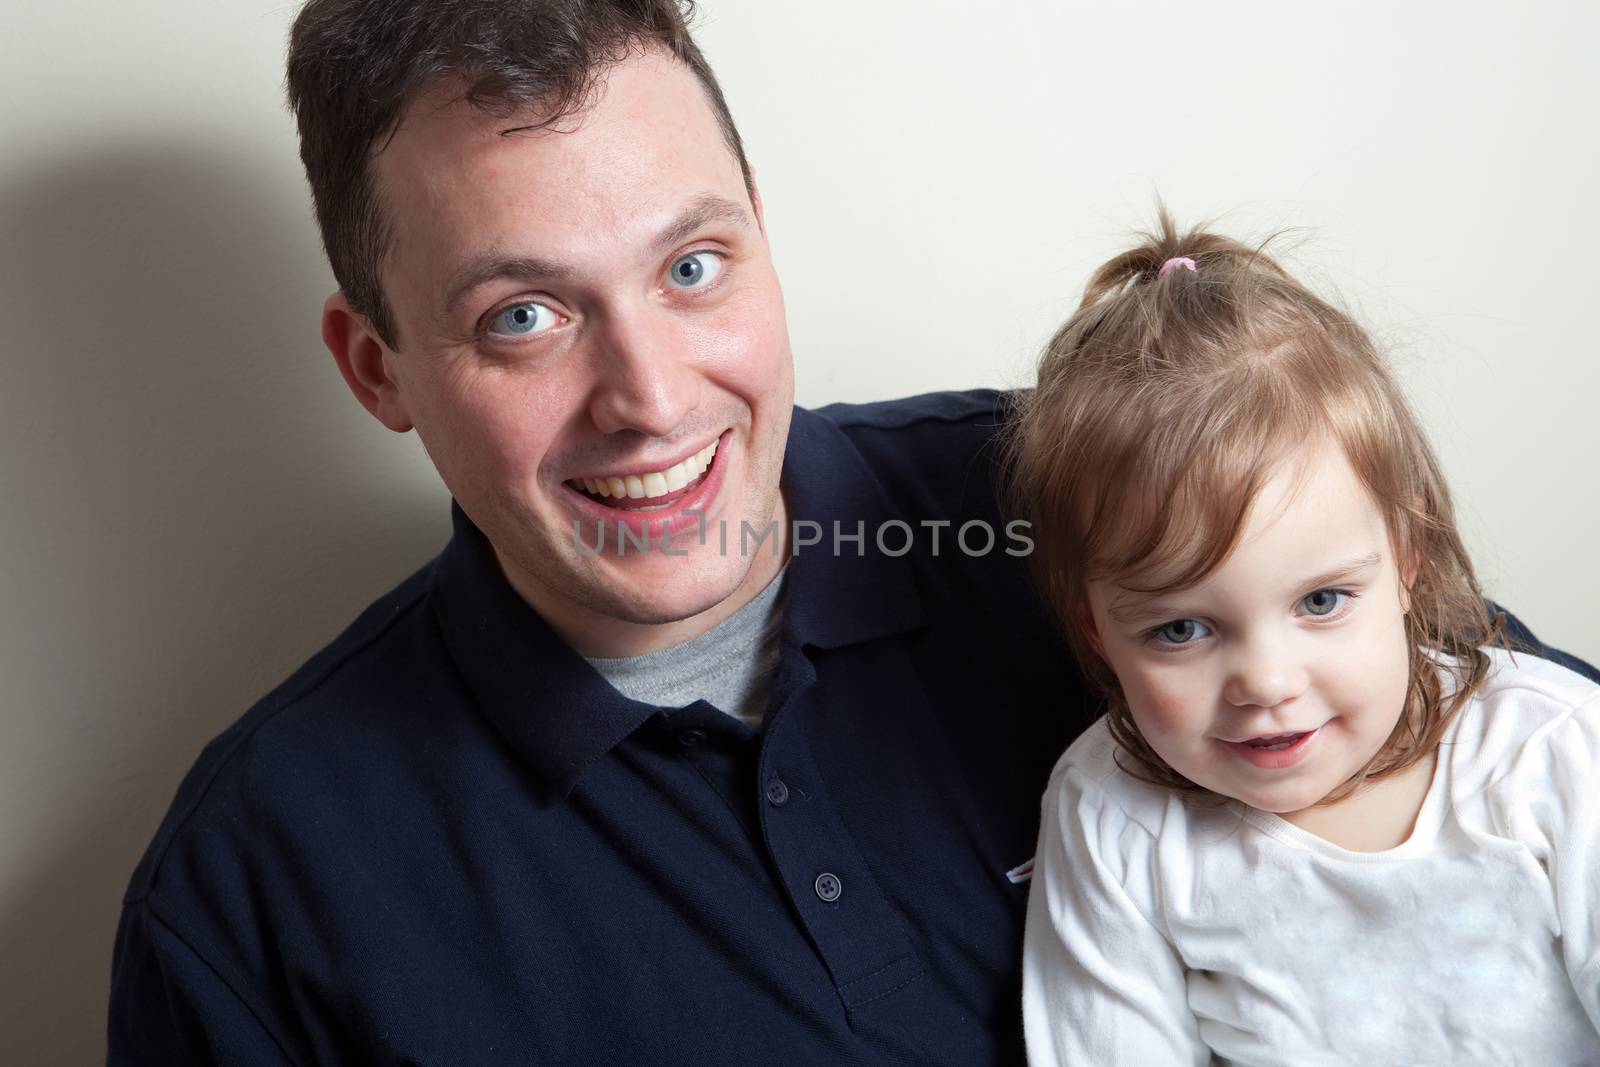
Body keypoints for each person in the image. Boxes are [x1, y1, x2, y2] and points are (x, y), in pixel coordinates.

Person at [104, 0, 1590, 1061]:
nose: (651, 396)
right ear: (379, 368)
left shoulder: (1106, 503)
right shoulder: (258, 894)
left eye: (692, 265)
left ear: (762, 228)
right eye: (526, 314)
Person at [1011, 217, 1600, 1064]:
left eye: (1321, 600)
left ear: (1405, 562)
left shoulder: (1551, 751)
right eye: (1181, 628)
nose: (1266, 681)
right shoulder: (1113, 818)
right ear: (1097, 633)